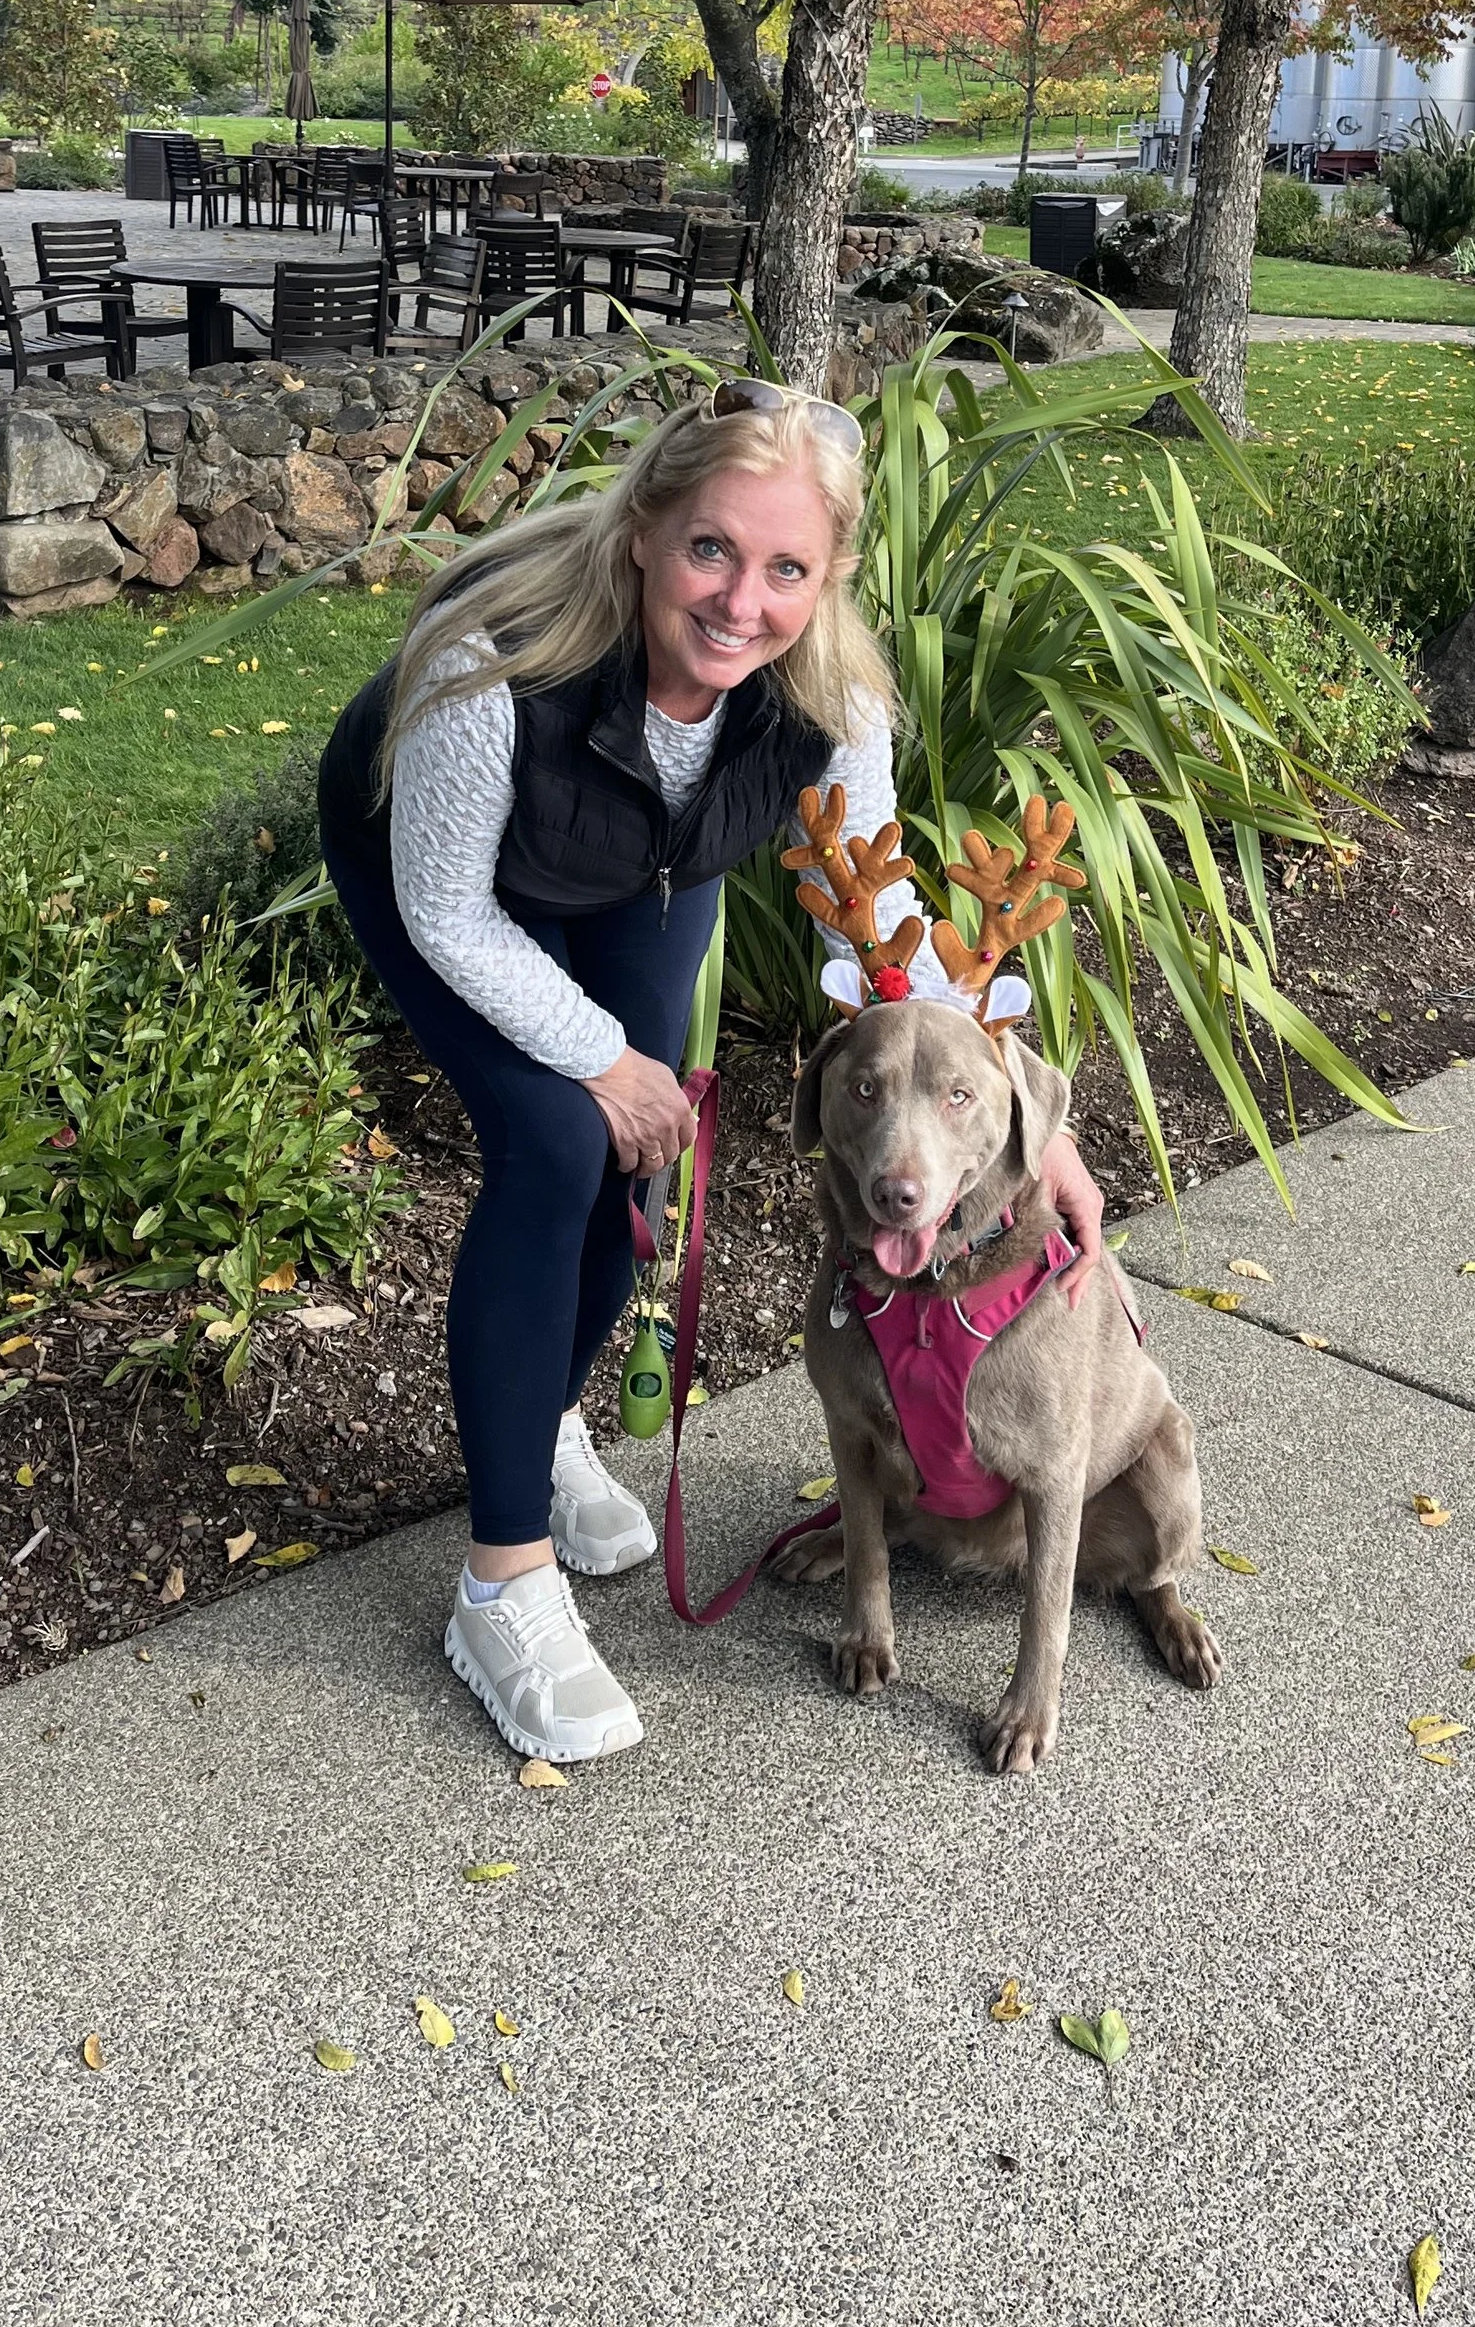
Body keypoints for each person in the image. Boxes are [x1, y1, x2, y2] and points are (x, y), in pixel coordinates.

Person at [318, 376, 1107, 1766]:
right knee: (559, 1145)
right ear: (645, 527)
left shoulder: (827, 691)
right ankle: (500, 1585)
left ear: (829, 575)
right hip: (443, 872)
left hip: (636, 856)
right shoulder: (491, 652)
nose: (744, 599)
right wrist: (601, 1058)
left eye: (787, 567)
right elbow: (450, 914)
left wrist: (1031, 1127)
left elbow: (879, 918)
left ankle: (539, 1427)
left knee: (639, 1151)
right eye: (710, 550)